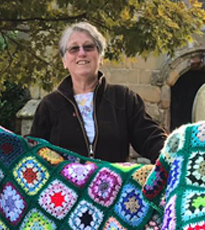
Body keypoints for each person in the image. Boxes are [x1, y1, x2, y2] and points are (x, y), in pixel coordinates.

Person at [30, 22, 167, 163]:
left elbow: (151, 139)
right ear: (64, 61)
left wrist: (175, 156)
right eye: (74, 49)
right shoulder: (50, 105)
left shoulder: (123, 98)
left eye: (88, 47)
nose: (82, 53)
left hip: (114, 184)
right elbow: (34, 153)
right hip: (63, 185)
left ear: (100, 57)